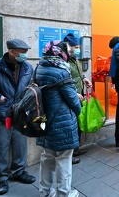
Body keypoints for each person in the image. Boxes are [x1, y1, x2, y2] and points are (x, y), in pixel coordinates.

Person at [35, 40, 82, 197]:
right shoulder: (61, 71)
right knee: (63, 159)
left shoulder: (39, 68)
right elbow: (73, 102)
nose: (68, 53)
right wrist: (78, 101)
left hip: (44, 121)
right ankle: (64, 193)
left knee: (47, 158)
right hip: (62, 122)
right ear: (59, 52)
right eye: (67, 50)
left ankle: (45, 192)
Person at [0, 39, 36, 195]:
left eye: (25, 52)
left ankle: (19, 171)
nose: (25, 55)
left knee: (20, 143)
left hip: (20, 112)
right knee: (0, 145)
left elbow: (32, 85)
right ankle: (0, 177)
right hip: (2, 112)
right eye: (22, 53)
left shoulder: (28, 68)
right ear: (11, 51)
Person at [63, 33, 93, 164]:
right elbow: (64, 80)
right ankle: (69, 154)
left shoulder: (74, 59)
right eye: (75, 47)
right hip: (70, 96)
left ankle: (76, 148)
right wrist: (74, 92)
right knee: (71, 125)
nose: (77, 49)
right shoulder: (63, 61)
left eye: (78, 47)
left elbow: (77, 75)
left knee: (77, 124)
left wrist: (84, 79)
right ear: (68, 47)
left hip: (78, 95)